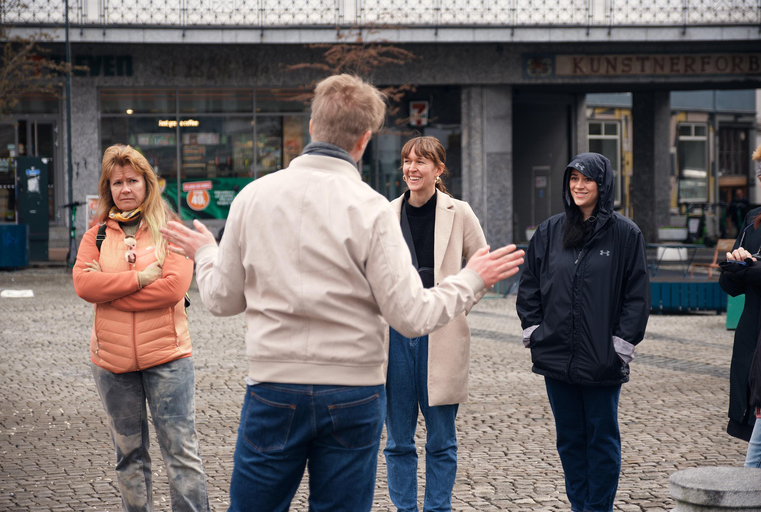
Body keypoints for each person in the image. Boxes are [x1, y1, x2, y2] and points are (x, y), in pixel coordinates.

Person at [160, 74, 524, 512]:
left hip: (274, 386)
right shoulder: (372, 208)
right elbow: (411, 315)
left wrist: (204, 252)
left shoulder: (253, 197)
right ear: (365, 139)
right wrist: (473, 278)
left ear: (312, 126)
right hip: (354, 392)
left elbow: (221, 300)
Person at [73, 145, 209, 512]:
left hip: (168, 359)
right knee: (129, 456)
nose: (125, 188)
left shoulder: (172, 231)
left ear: (148, 184)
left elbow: (173, 289)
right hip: (112, 364)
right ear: (108, 188)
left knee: (181, 453)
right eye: (117, 182)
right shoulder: (96, 236)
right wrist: (138, 279)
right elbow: (83, 285)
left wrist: (112, 293)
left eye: (133, 180)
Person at [516, 153, 650, 512]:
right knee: (570, 440)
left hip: (601, 360)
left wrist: (619, 348)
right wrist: (535, 332)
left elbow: (637, 296)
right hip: (556, 355)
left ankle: (597, 508)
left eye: (586, 179)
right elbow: (529, 286)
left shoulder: (625, 234)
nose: (578, 185)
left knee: (601, 439)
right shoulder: (550, 230)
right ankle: (580, 506)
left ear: (602, 184)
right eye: (573, 179)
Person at [383, 136, 486, 512]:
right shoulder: (387, 213)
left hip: (440, 332)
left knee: (441, 438)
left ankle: (437, 508)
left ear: (438, 170)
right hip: (395, 335)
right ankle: (405, 509)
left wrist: (458, 308)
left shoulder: (459, 212)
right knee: (397, 441)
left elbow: (481, 264)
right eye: (407, 160)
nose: (412, 168)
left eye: (421, 161)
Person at [720, 143, 761, 453]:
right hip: (751, 337)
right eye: (760, 172)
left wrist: (747, 269)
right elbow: (729, 284)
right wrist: (739, 267)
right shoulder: (753, 219)